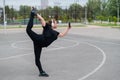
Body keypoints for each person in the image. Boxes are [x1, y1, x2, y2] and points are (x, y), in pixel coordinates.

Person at [26, 7, 71, 77]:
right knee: (28, 30)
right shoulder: (47, 27)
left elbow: (62, 35)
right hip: (39, 39)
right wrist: (35, 13)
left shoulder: (55, 33)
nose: (57, 24)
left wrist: (68, 28)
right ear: (52, 24)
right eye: (56, 23)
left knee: (37, 60)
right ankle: (32, 14)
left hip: (39, 44)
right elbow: (42, 19)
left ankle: (41, 72)